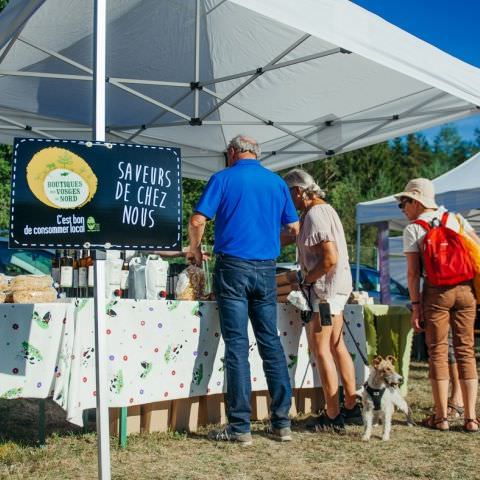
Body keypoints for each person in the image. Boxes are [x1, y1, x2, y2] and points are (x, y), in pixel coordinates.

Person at [188, 135, 299, 445]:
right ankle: (281, 422)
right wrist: (270, 242)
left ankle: (240, 427)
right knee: (270, 343)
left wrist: (195, 251)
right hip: (265, 268)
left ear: (233, 152)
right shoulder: (276, 183)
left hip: (232, 267)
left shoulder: (222, 178)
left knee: (237, 346)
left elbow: (198, 220)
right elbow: (294, 229)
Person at [396, 178, 480, 433]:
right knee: (466, 351)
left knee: (438, 353)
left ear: (415, 200)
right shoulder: (455, 219)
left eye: (404, 203)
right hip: (465, 291)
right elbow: (476, 250)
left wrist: (415, 305)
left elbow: (412, 274)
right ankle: (471, 418)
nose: (403, 208)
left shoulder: (413, 229)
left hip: (436, 293)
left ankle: (442, 416)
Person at [283, 168, 360, 433]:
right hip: (335, 289)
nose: (288, 200)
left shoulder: (315, 214)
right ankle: (350, 406)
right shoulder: (324, 210)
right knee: (337, 346)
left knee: (321, 348)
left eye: (288, 194)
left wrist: (307, 280)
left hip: (325, 292)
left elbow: (329, 257)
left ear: (299, 191)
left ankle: (332, 414)